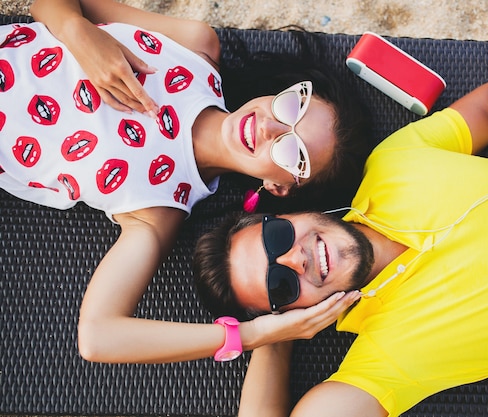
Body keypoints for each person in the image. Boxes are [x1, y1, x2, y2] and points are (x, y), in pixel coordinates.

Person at [193, 77, 488, 417]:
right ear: (291, 314)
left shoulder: (392, 163)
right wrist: (268, 336)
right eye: (281, 285)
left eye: (275, 238)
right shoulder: (385, 359)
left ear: (282, 215)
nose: (294, 258)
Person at [0, 0, 369, 364]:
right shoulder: (195, 47)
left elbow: (98, 338)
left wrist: (258, 335)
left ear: (280, 187)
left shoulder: (156, 209)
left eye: (293, 152)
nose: (268, 127)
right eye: (291, 107)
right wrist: (79, 34)